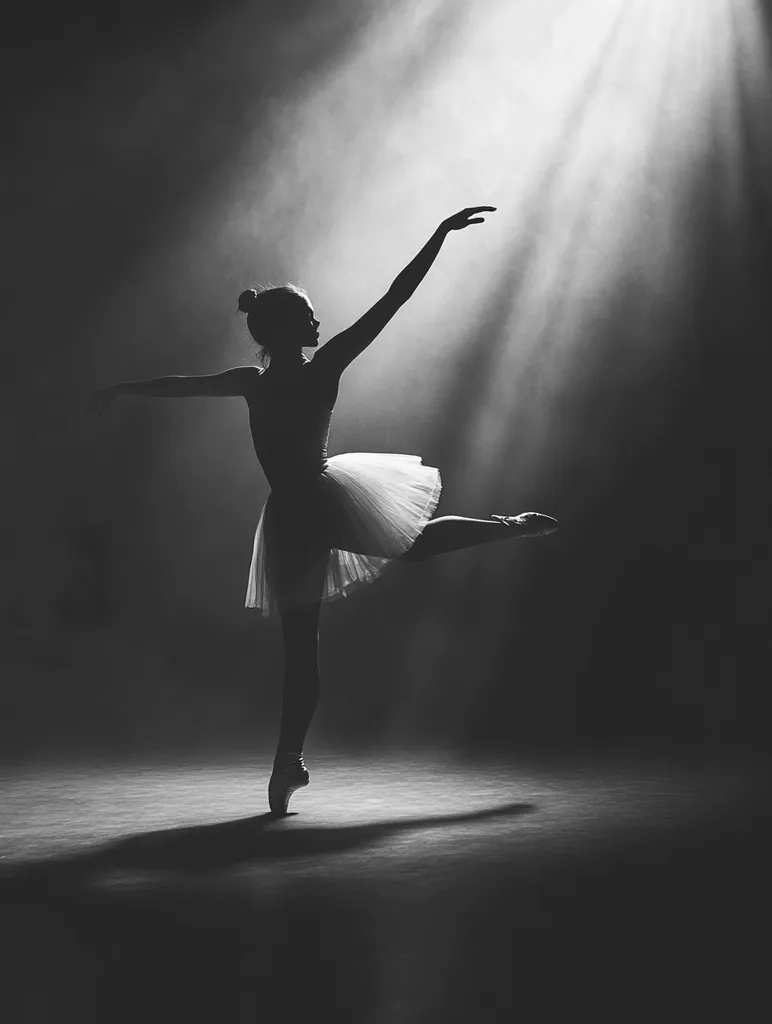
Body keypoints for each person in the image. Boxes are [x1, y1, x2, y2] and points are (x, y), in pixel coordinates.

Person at [89, 206, 558, 815]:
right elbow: (190, 381)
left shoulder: (263, 380)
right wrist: (128, 388)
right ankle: (288, 763)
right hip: (300, 512)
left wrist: (437, 238)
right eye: (310, 316)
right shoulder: (304, 370)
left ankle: (288, 762)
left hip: (303, 506)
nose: (319, 321)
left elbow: (391, 299)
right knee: (341, 614)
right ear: (284, 330)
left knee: (350, 605)